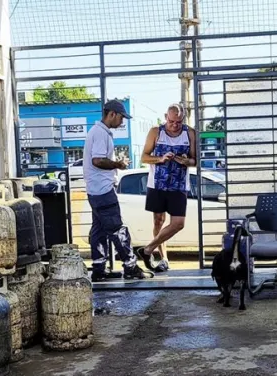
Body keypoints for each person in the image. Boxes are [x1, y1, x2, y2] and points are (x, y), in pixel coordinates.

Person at [83, 100, 150, 282]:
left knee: (98, 230)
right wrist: (118, 164)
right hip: (103, 190)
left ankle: (99, 269)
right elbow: (98, 160)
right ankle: (130, 266)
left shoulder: (96, 132)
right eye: (121, 118)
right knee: (117, 229)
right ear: (112, 114)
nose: (122, 122)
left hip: (95, 190)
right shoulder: (100, 133)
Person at [135, 103, 197, 272]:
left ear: (183, 118)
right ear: (165, 117)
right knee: (158, 221)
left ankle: (147, 249)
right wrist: (160, 159)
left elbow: (195, 160)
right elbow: (144, 158)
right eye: (171, 121)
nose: (175, 125)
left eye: (178, 122)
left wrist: (186, 161)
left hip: (179, 185)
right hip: (157, 184)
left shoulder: (190, 133)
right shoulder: (156, 132)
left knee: (178, 223)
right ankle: (163, 258)